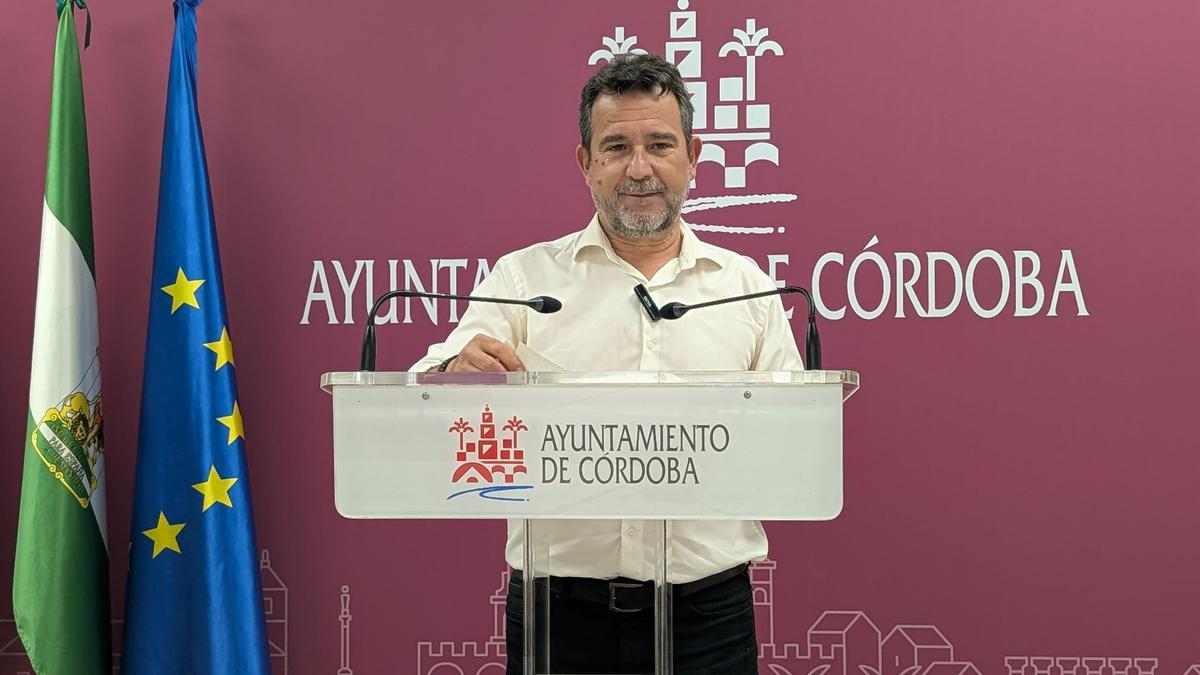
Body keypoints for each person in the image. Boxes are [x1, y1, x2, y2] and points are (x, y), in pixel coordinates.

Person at [411, 53, 803, 674]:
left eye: (659, 144)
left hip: (707, 613)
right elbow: (430, 390)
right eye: (616, 146)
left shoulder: (747, 287)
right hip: (558, 615)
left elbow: (795, 435)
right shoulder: (523, 279)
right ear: (585, 163)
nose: (639, 168)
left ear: (694, 158)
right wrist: (454, 373)